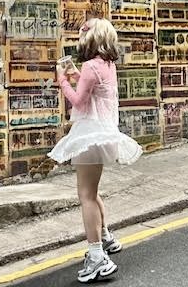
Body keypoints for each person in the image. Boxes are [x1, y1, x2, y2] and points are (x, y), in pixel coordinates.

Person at [49, 18, 142, 284]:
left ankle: (97, 256)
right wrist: (77, 77)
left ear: (92, 39)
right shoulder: (107, 65)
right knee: (92, 191)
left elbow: (79, 101)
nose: (81, 39)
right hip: (104, 133)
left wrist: (62, 80)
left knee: (86, 195)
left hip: (90, 134)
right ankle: (106, 237)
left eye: (83, 35)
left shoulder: (90, 66)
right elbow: (93, 91)